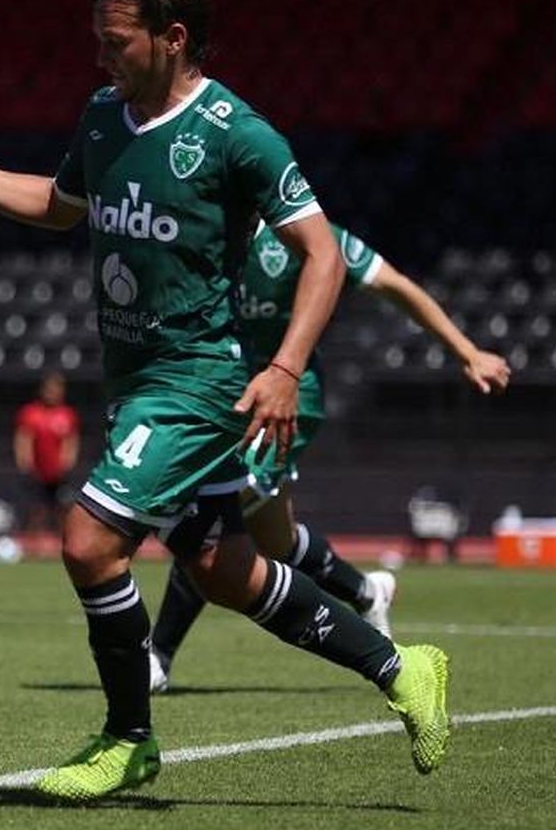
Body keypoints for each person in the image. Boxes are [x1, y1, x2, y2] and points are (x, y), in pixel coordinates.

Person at [0, 0, 448, 800]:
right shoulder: (104, 117)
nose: (102, 56)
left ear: (175, 37)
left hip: (196, 381)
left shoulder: (239, 136)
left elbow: (323, 257)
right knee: (224, 569)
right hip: (136, 381)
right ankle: (399, 664)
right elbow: (56, 205)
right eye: (99, 39)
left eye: (117, 41)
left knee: (87, 542)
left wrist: (285, 367)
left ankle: (127, 737)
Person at [149, 222, 511, 690]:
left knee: (218, 511)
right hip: (227, 394)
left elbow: (393, 283)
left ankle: (157, 656)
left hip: (289, 398)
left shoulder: (301, 231)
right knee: (274, 542)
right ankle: (367, 591)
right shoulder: (201, 228)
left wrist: (466, 351)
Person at [13, 372, 80, 534]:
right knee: (36, 510)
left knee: (62, 510)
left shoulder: (67, 414)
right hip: (36, 472)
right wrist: (25, 463)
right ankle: (33, 545)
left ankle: (61, 544)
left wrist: (67, 463)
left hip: (58, 474)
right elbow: (23, 439)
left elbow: (71, 441)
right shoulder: (30, 413)